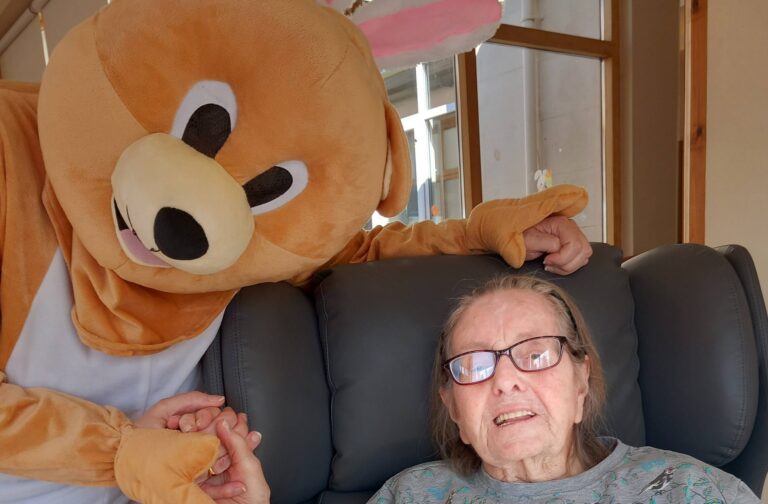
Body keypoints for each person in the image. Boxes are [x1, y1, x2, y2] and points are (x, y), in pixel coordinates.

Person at [369, 275, 761, 503]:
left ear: (581, 381)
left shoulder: (689, 491)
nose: (505, 381)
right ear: (452, 406)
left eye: (536, 354)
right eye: (474, 364)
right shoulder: (410, 495)